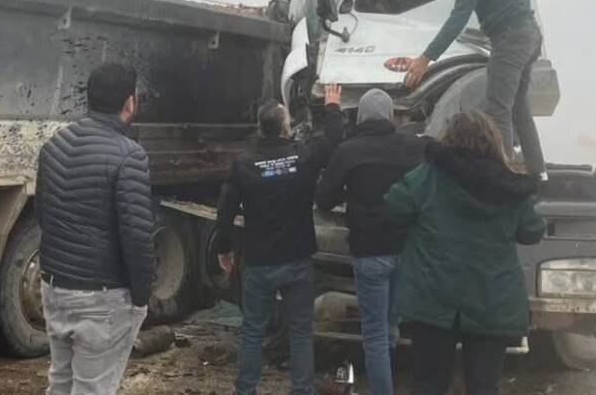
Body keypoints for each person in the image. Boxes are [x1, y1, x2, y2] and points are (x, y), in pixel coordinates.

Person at [384, 110, 545, 395]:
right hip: (491, 300)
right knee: (484, 387)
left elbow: (393, 207)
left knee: (428, 385)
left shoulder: (429, 176)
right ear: (493, 141)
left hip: (433, 297)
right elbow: (532, 232)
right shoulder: (510, 186)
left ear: (450, 139)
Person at [36, 63, 157, 395]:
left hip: (54, 286)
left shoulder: (55, 145)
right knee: (93, 389)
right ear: (130, 103)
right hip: (101, 296)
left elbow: (43, 214)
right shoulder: (130, 156)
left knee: (60, 381)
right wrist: (141, 297)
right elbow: (137, 235)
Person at [216, 85, 344, 395]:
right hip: (297, 259)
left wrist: (224, 249)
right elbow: (332, 141)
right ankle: (302, 390)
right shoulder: (302, 155)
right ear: (286, 128)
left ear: (261, 128)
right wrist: (332, 106)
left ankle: (246, 390)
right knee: (300, 331)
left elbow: (225, 211)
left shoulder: (244, 164)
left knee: (252, 332)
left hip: (259, 262)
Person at [404, 0, 547, 178]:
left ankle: (505, 178)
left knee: (497, 109)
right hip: (529, 34)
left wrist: (426, 58)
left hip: (511, 39)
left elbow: (458, 19)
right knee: (518, 110)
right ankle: (538, 172)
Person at [315, 89, 425, 395]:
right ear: (391, 116)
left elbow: (324, 200)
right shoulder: (413, 147)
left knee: (374, 334)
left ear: (361, 116)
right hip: (406, 251)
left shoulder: (350, 151)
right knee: (390, 326)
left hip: (369, 253)